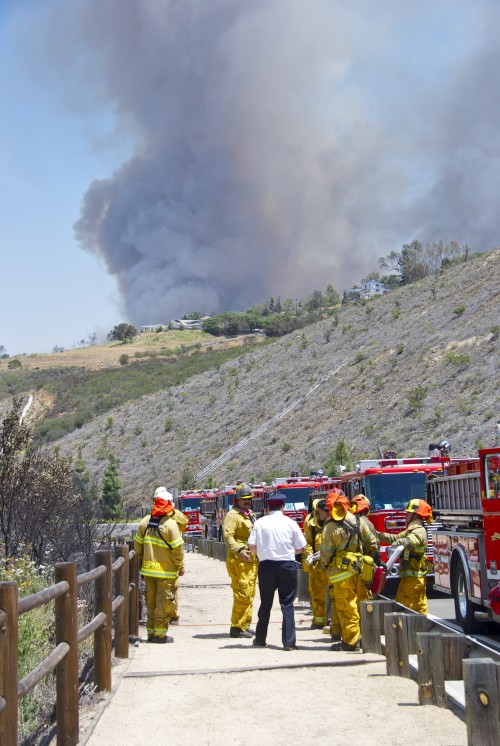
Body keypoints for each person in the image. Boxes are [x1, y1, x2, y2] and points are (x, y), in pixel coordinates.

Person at [320, 489, 377, 651]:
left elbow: (325, 553)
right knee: (361, 605)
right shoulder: (358, 521)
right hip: (360, 572)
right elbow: (372, 543)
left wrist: (326, 567)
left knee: (347, 607)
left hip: (340, 575)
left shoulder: (330, 527)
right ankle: (364, 638)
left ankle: (351, 642)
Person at [248, 493, 307, 650]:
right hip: (287, 565)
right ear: (283, 507)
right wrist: (286, 552)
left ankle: (260, 639)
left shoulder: (260, 523)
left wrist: (262, 553)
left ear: (267, 508)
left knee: (265, 603)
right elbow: (300, 548)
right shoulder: (290, 523)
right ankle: (288, 642)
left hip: (266, 566)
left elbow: (251, 546)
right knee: (287, 604)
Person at [134, 487, 185, 643]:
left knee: (151, 603)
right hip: (165, 573)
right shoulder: (171, 525)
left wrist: (144, 558)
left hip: (149, 572)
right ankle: (160, 635)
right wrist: (180, 567)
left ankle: (151, 633)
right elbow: (177, 550)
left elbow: (137, 545)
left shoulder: (145, 522)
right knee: (163, 605)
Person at [378, 499, 432, 614]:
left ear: (415, 514)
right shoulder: (412, 529)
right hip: (415, 578)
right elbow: (395, 538)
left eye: (408, 512)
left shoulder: (419, 531)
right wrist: (377, 534)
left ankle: (406, 631)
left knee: (402, 610)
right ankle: (419, 630)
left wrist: (395, 545)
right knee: (419, 611)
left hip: (412, 579)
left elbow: (409, 542)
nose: (406, 514)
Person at [222, 482, 259, 638]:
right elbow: (228, 536)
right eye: (244, 499)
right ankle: (236, 627)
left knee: (249, 593)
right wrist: (239, 550)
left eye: (249, 499)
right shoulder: (233, 516)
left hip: (250, 560)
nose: (247, 501)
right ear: (236, 500)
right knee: (242, 594)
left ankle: (244, 624)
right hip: (239, 560)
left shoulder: (249, 514)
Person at [349, 495, 382, 605]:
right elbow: (373, 543)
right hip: (365, 565)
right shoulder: (365, 523)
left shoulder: (348, 521)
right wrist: (377, 559)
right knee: (364, 595)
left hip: (351, 566)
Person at [302, 498, 330, 629]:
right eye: (325, 511)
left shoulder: (334, 519)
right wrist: (309, 555)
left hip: (332, 563)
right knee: (317, 591)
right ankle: (319, 620)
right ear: (318, 511)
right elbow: (307, 541)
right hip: (316, 563)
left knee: (335, 593)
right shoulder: (310, 521)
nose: (328, 513)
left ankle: (334, 620)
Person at [170, 505, 189, 625]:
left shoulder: (150, 519)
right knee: (172, 590)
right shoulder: (175, 521)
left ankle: (163, 618)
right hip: (171, 563)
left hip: (155, 563)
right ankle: (172, 616)